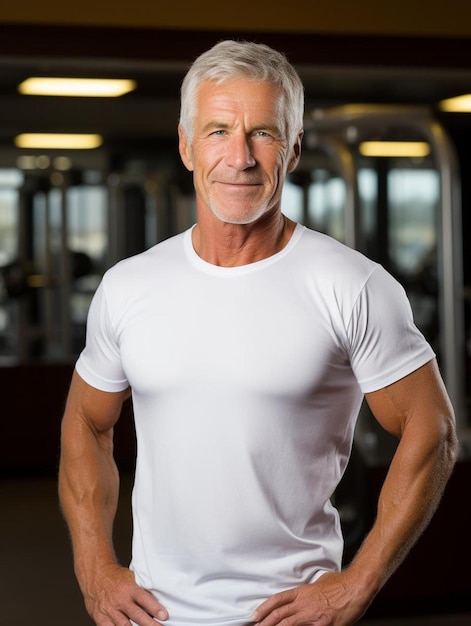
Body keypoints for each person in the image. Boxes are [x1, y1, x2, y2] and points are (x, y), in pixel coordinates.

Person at [58, 40, 459, 626]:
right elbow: (86, 420)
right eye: (218, 130)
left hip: (287, 615)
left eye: (264, 134)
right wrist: (93, 568)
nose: (240, 157)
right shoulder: (128, 286)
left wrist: (359, 582)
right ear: (186, 145)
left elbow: (435, 430)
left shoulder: (353, 285)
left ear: (293, 150)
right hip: (153, 615)